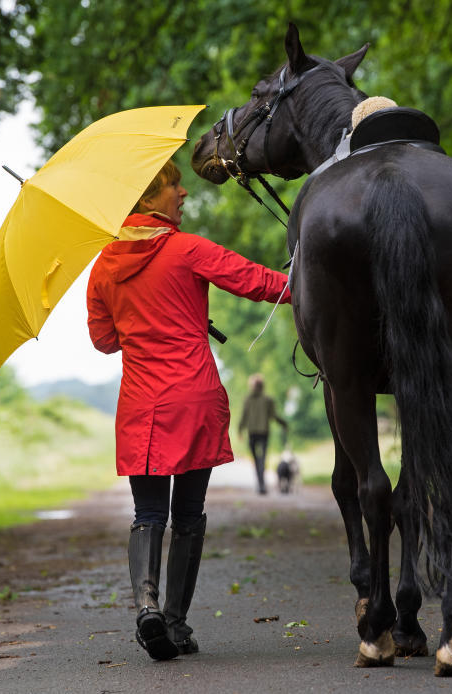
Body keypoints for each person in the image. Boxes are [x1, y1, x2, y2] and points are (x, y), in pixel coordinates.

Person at [86, 159, 290, 662]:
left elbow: (103, 340)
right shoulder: (187, 249)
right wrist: (318, 279)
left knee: (148, 512)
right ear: (148, 200)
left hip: (142, 404)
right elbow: (259, 282)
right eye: (173, 185)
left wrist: (141, 321)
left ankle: (147, 606)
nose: (183, 192)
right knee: (189, 514)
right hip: (193, 396)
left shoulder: (103, 267)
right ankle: (175, 624)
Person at [238, 374, 288, 495]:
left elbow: (244, 417)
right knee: (262, 459)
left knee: (256, 460)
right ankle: (261, 484)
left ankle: (261, 484)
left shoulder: (248, 399)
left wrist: (240, 430)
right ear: (262, 386)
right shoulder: (267, 399)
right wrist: (283, 423)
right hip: (263, 433)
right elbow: (273, 416)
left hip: (253, 433)